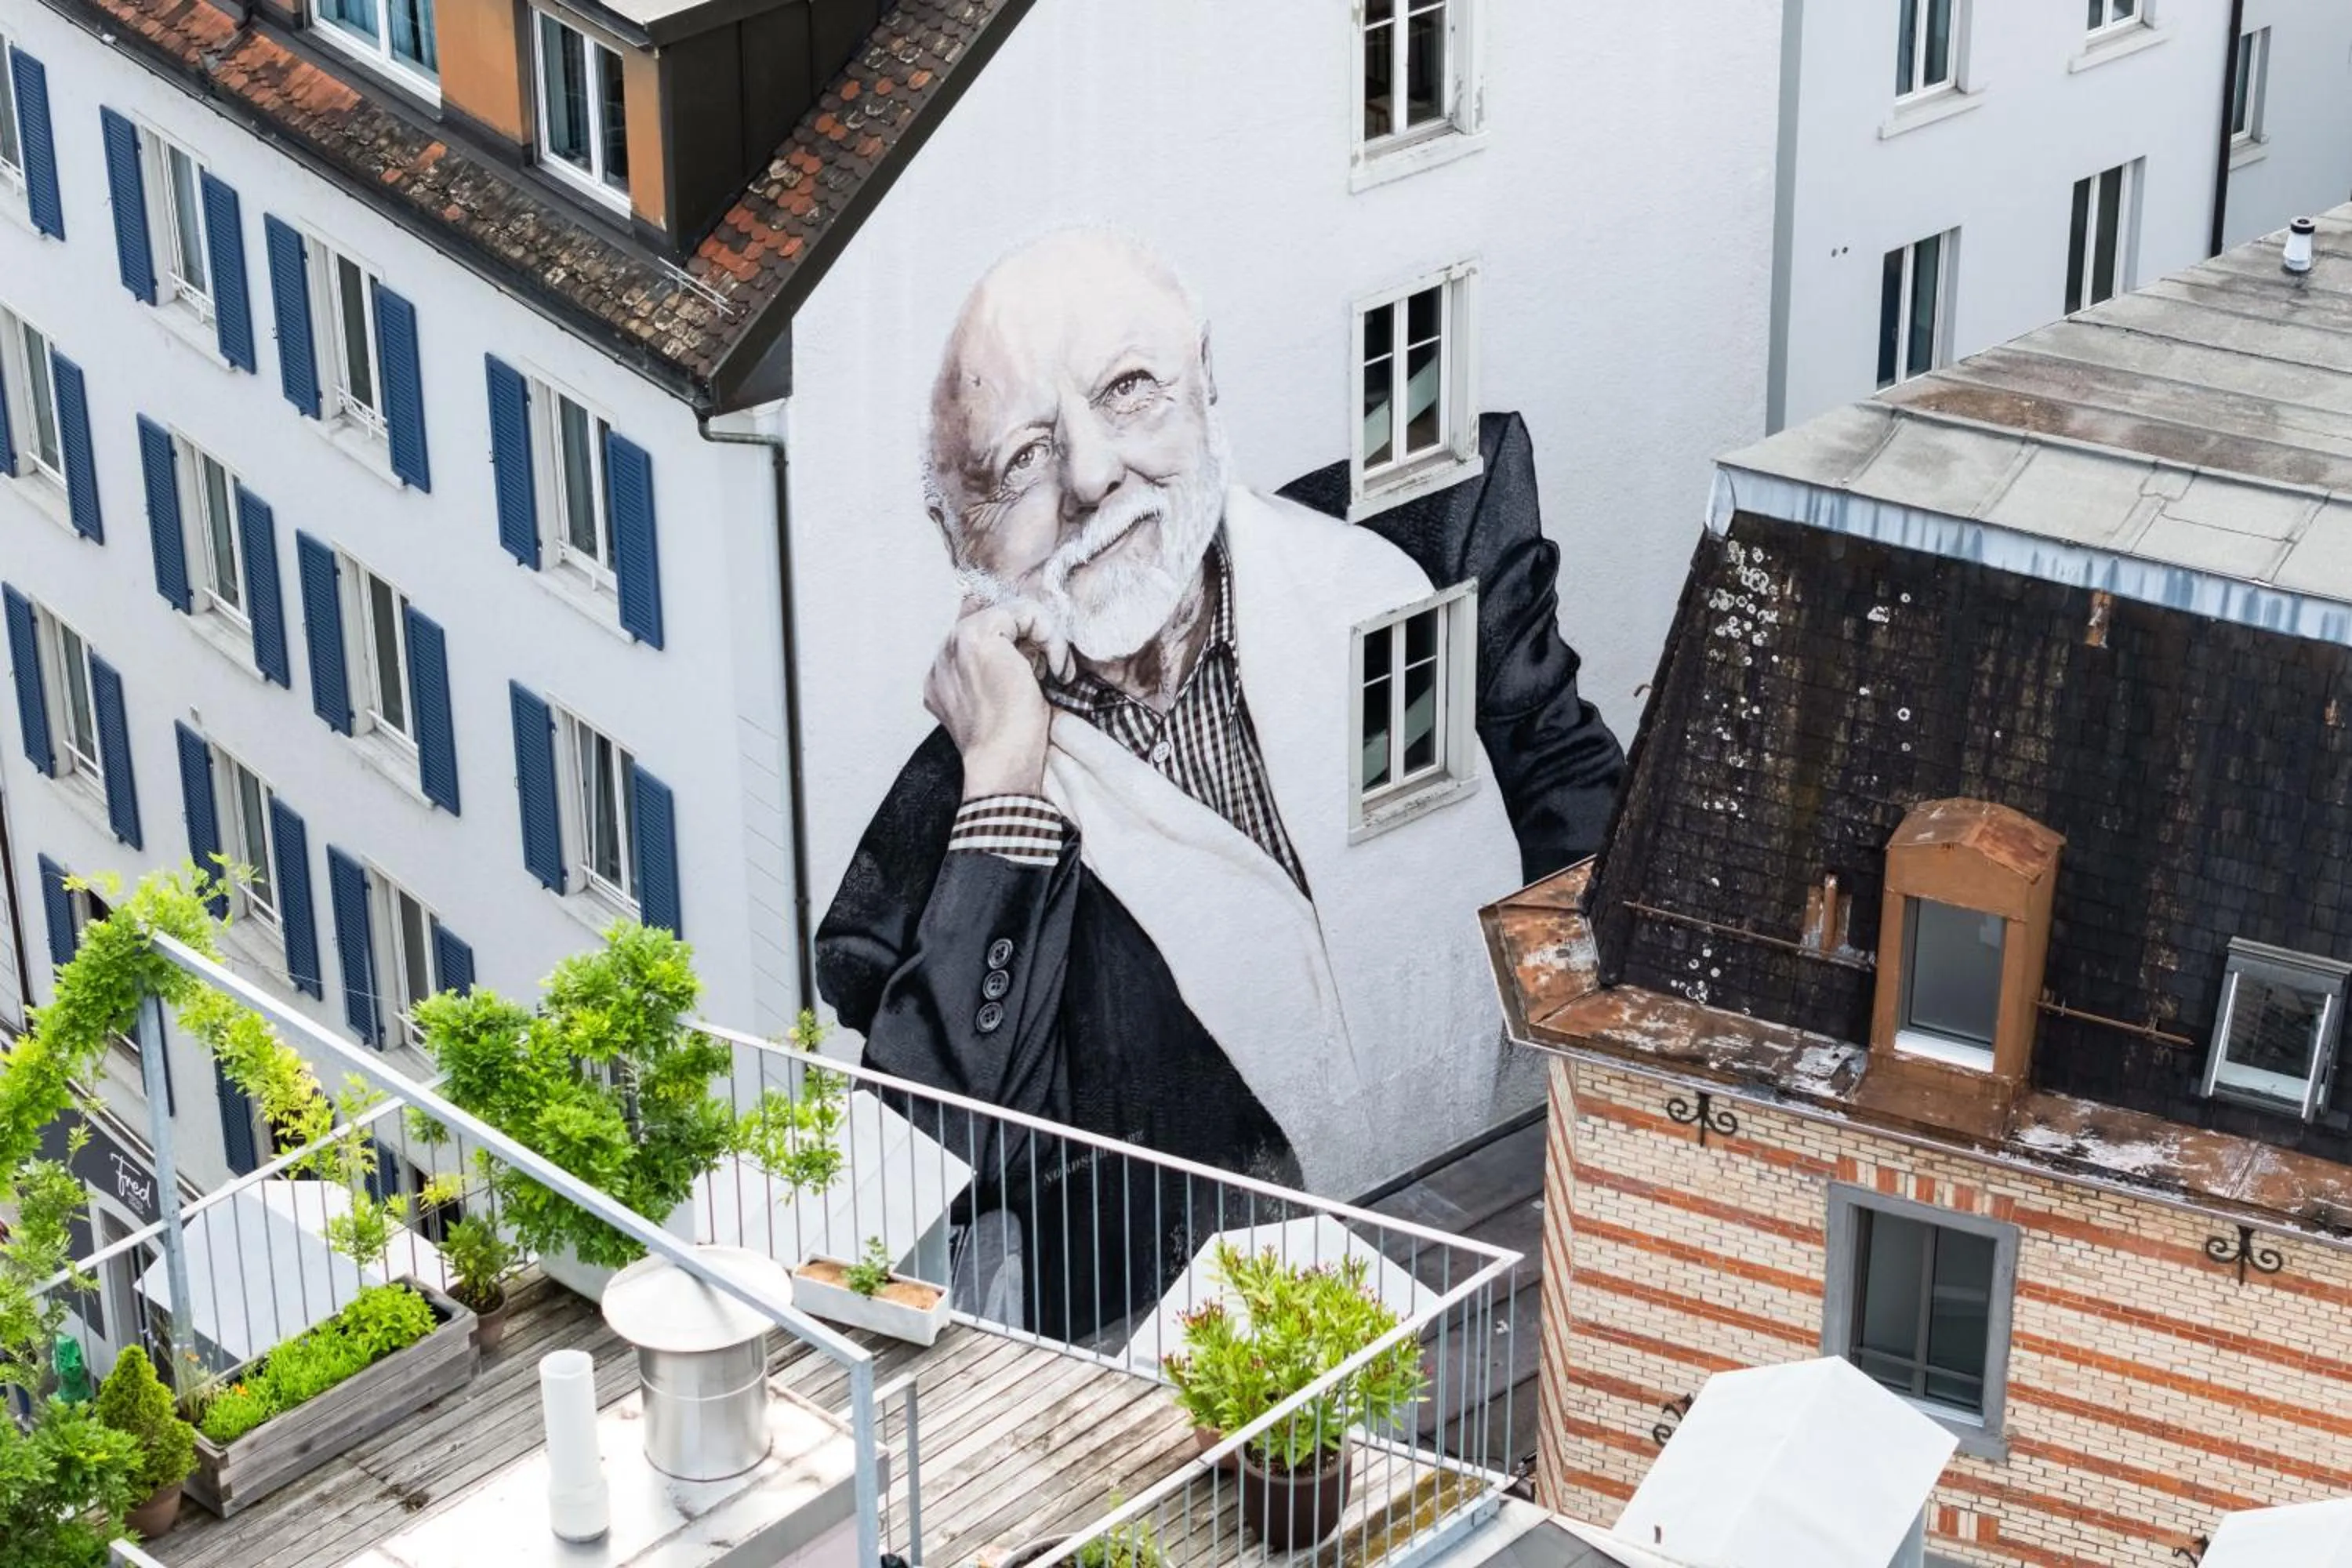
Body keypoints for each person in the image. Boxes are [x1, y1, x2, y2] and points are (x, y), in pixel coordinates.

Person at [818, 230, 1621, 1336]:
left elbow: (1593, 852)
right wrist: (1004, 782)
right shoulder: (943, 848)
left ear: (1206, 392)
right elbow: (910, 1175)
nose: (1091, 476)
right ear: (958, 535)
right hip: (1217, 1415)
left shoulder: (1427, 564)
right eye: (1020, 464)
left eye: (1129, 391)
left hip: (1525, 1265)